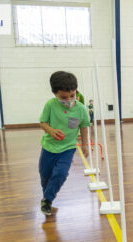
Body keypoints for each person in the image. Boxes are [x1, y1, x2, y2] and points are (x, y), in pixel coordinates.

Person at [39, 71, 91, 216]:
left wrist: (85, 144)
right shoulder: (50, 105)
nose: (68, 100)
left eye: (72, 96)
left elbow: (84, 125)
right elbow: (43, 122)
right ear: (55, 93)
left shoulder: (80, 109)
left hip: (68, 148)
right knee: (45, 176)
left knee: (61, 173)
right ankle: (47, 196)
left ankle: (47, 200)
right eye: (63, 97)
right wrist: (51, 131)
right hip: (48, 147)